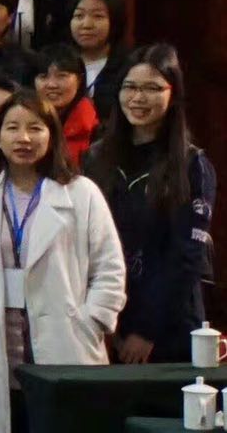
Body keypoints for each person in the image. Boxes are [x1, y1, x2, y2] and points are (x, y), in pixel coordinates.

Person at [0, 90, 128, 433]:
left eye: (35, 128)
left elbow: (110, 267)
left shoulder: (80, 192)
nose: (23, 138)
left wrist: (93, 319)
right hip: (0, 338)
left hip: (67, 335)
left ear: (52, 134)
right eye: (12, 128)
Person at [84, 43, 214, 364]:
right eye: (130, 87)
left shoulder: (190, 165)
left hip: (167, 330)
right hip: (103, 322)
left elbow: (186, 258)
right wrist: (105, 321)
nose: (138, 98)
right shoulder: (96, 158)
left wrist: (146, 331)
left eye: (152, 88)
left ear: (173, 95)